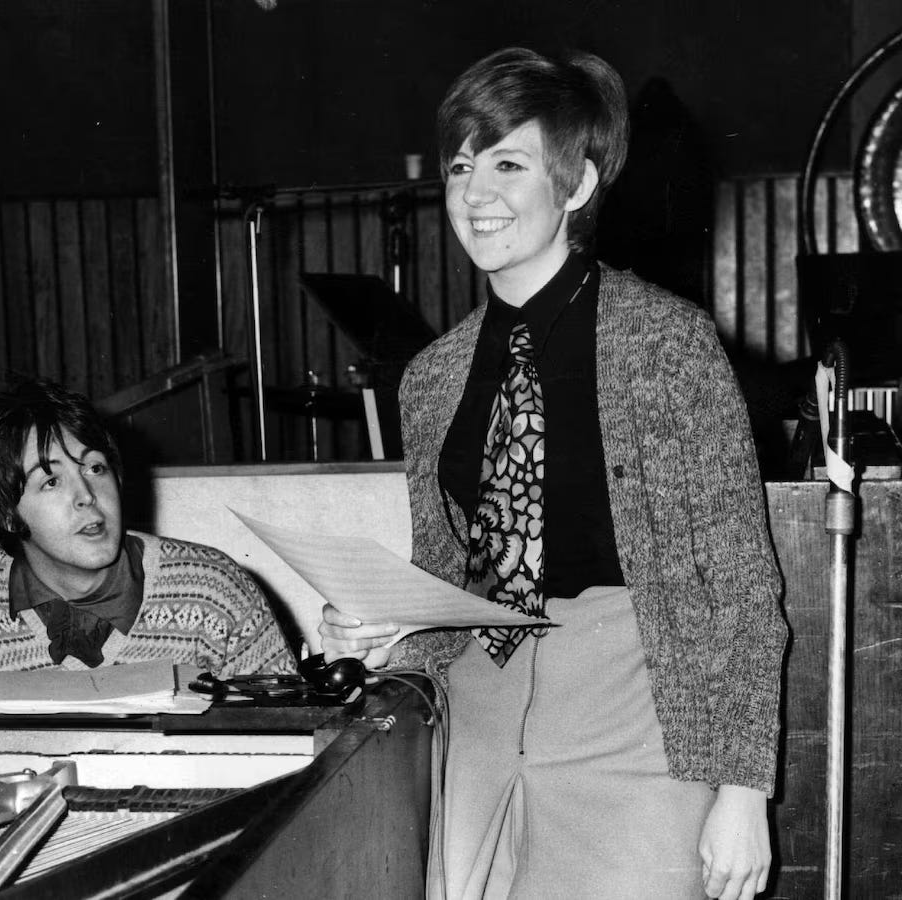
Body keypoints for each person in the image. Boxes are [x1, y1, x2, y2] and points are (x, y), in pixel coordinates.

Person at [319, 48, 787, 900]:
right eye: (461, 166)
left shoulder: (666, 344)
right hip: (481, 721)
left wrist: (743, 790)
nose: (475, 193)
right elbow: (450, 580)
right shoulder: (431, 377)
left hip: (635, 719)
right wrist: (388, 630)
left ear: (577, 184)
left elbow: (740, 583)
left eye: (507, 164)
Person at [0, 377, 297, 681]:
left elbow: (286, 727)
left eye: (95, 468)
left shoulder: (211, 589)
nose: (87, 496)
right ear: (6, 514)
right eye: (52, 482)